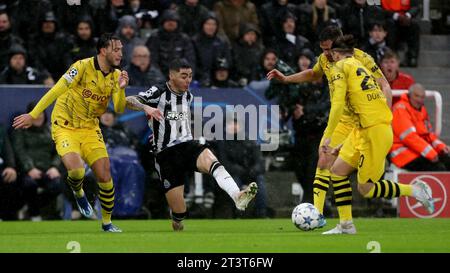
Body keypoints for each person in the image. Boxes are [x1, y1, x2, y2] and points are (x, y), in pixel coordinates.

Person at [267, 25, 392, 230]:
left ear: (339, 43)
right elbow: (314, 74)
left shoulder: (360, 58)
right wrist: (287, 79)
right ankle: (319, 214)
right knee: (324, 157)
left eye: (328, 49)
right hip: (343, 119)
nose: (325, 54)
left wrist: (386, 116)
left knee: (361, 182)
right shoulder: (326, 59)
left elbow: (384, 85)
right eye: (322, 49)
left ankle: (344, 219)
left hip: (363, 120)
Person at [12, 33, 129, 232]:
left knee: (105, 175)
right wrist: (33, 114)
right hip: (65, 125)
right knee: (76, 171)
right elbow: (56, 90)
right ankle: (78, 192)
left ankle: (107, 223)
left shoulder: (117, 76)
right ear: (103, 50)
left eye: (121, 49)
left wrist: (122, 89)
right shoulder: (81, 67)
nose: (120, 53)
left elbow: (118, 108)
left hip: (90, 128)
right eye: (115, 49)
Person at [125, 58, 258, 231]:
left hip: (187, 146)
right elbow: (129, 100)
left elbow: (178, 121)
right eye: (183, 76)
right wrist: (146, 108)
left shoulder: (188, 95)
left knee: (213, 162)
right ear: (171, 75)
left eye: (190, 76)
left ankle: (237, 196)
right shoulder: (159, 91)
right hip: (166, 154)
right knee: (180, 212)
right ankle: (177, 220)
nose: (188, 80)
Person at [321, 35, 434, 234]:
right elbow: (367, 102)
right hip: (363, 129)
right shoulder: (359, 65)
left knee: (366, 189)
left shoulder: (340, 67)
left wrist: (329, 135)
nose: (330, 58)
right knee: (337, 171)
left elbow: (337, 103)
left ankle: (414, 190)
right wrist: (344, 141)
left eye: (331, 54)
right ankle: (346, 225)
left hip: (374, 132)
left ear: (337, 54)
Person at [11, 102, 63, 221]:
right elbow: (20, 151)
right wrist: (29, 168)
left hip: (48, 169)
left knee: (57, 185)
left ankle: (30, 207)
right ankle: (34, 214)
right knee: (29, 184)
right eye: (35, 114)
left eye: (41, 113)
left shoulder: (52, 130)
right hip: (27, 171)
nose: (38, 117)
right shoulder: (20, 130)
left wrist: (54, 166)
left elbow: (59, 150)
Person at [390, 83, 450, 171]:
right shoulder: (400, 109)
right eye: (417, 96)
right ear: (409, 96)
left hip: (417, 151)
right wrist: (431, 153)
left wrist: (441, 147)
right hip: (403, 155)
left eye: (422, 97)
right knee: (439, 168)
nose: (419, 100)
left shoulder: (421, 110)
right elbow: (409, 137)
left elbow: (428, 134)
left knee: (447, 160)